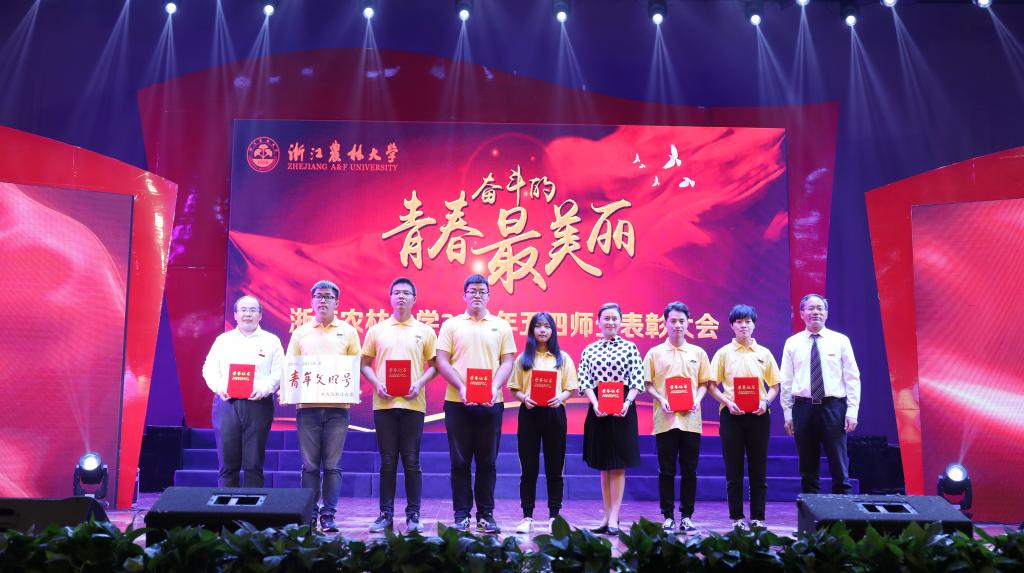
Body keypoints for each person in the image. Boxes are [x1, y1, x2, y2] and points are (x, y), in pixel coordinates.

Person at [436, 274, 516, 534]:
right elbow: (442, 360)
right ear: (464, 295)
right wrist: (461, 386)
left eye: (482, 291)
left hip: (491, 402)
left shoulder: (501, 326)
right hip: (457, 401)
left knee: (487, 462)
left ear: (489, 296)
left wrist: (495, 387)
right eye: (472, 291)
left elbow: (507, 361)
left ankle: (485, 515)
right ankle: (461, 515)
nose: (477, 295)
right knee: (459, 461)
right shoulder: (451, 325)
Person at [360, 278, 437, 534]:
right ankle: (385, 514)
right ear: (390, 297)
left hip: (413, 404)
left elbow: (435, 366)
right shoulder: (377, 330)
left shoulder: (425, 331)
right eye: (396, 292)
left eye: (406, 293)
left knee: (412, 461)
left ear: (415, 298)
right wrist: (376, 384)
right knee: (387, 461)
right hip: (384, 404)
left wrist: (419, 383)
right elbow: (364, 364)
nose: (401, 296)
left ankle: (413, 515)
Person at [285, 280, 361, 533]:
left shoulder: (348, 332)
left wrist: (352, 389)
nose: (323, 300)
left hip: (338, 409)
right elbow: (291, 367)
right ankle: (309, 514)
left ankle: (328, 515)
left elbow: (355, 366)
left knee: (332, 465)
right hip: (307, 408)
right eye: (318, 296)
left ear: (337, 302)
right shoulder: (300, 333)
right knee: (309, 466)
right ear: (311, 301)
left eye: (328, 297)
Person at [780, 293, 861, 494]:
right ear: (802, 313)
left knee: (839, 465)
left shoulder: (840, 340)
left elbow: (852, 377)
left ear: (826, 313)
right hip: (803, 408)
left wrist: (852, 411)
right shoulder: (792, 343)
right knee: (808, 467)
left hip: (834, 407)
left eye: (820, 308)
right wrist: (788, 413)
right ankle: (810, 511)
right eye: (810, 308)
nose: (815, 312)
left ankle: (843, 510)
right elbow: (786, 381)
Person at [708, 304, 780, 529]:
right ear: (732, 326)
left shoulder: (764, 353)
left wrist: (766, 402)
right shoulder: (723, 353)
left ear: (754, 325)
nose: (744, 326)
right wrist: (727, 402)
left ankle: (757, 517)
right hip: (732, 415)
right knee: (734, 469)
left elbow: (775, 385)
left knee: (758, 468)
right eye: (739, 322)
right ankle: (736, 517)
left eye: (748, 321)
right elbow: (711, 385)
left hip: (759, 415)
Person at [642, 301, 710, 535]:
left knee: (690, 470)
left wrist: (697, 399)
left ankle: (687, 516)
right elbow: (647, 384)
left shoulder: (698, 353)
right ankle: (668, 516)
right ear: (665, 323)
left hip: (691, 421)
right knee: (666, 470)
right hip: (665, 420)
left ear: (688, 323)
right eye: (673, 321)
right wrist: (661, 399)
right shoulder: (655, 353)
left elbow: (704, 383)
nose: (678, 325)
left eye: (682, 321)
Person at [202, 295, 284, 488]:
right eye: (244, 310)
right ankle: (225, 505)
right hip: (227, 403)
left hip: (258, 404)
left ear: (260, 315)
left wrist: (264, 389)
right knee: (227, 463)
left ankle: (251, 506)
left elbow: (280, 372)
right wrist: (219, 387)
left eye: (252, 310)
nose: (248, 314)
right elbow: (208, 369)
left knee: (253, 462)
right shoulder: (223, 340)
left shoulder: (271, 341)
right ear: (235, 315)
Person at [578, 302, 645, 536]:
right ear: (598, 322)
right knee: (604, 466)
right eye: (606, 318)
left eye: (614, 318)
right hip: (598, 408)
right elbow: (584, 379)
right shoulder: (589, 349)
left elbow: (637, 378)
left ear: (621, 321)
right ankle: (606, 515)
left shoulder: (630, 347)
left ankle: (615, 516)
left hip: (623, 408)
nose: (610, 322)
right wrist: (595, 403)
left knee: (617, 465)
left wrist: (627, 402)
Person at [508, 312, 578, 534]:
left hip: (555, 414)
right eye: (538, 326)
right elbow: (514, 388)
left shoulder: (562, 358)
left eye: (547, 326)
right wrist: (524, 398)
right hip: (529, 414)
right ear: (532, 330)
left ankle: (554, 517)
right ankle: (527, 516)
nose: (542, 330)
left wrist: (561, 397)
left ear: (552, 331)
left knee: (554, 468)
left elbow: (571, 388)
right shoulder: (523, 359)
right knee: (528, 468)